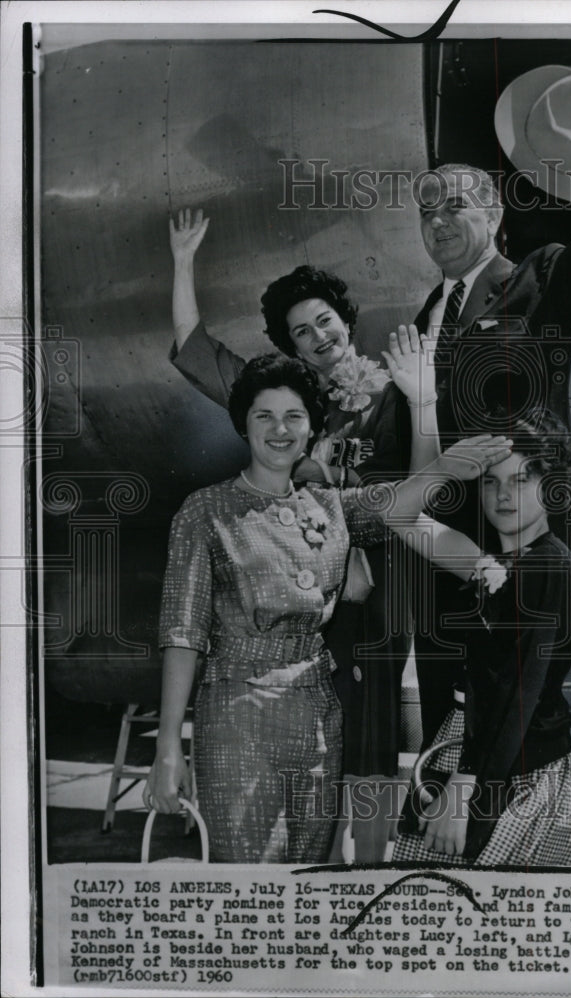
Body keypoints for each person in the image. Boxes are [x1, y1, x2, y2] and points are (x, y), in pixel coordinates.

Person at [143, 349, 511, 863]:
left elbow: (402, 503)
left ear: (312, 427)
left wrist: (447, 465)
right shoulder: (205, 511)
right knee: (253, 887)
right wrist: (167, 750)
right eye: (264, 416)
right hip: (236, 720)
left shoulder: (329, 506)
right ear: (243, 425)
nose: (280, 429)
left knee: (310, 875)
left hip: (319, 717)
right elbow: (183, 633)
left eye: (294, 416)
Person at [166, 212, 438, 854]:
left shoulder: (400, 385)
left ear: (347, 320)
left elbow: (425, 489)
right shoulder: (289, 405)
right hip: (313, 595)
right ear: (288, 348)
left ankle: (369, 864)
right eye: (300, 332)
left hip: (389, 586)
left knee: (371, 736)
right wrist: (182, 262)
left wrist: (421, 399)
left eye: (324, 321)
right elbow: (199, 352)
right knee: (326, 736)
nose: (318, 337)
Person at [410, 84, 571, 747]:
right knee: (446, 715)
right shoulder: (424, 316)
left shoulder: (538, 276)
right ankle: (450, 833)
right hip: (444, 544)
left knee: (521, 717)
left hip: (525, 534)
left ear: (494, 213)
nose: (436, 220)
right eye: (425, 210)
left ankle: (524, 837)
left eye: (454, 205)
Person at [391, 408, 571, 866]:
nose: (503, 496)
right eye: (489, 481)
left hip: (510, 773)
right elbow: (398, 516)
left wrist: (464, 789)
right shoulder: (494, 568)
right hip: (477, 759)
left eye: (521, 481)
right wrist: (443, 468)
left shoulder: (546, 566)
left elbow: (514, 689)